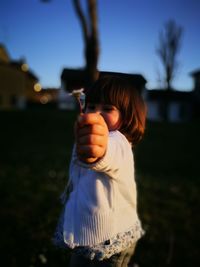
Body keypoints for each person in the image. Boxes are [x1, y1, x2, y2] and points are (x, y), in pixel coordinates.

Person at [55, 75, 147, 267]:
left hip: (113, 238)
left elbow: (106, 151)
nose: (96, 114)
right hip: (86, 231)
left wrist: (96, 151)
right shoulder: (86, 137)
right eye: (91, 106)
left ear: (127, 116)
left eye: (107, 109)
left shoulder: (119, 142)